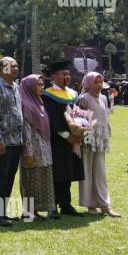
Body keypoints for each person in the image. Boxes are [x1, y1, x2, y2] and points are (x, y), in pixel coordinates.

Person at [42, 60, 85, 218]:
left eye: (68, 74)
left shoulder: (73, 94)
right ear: (54, 76)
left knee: (68, 172)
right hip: (58, 140)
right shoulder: (48, 95)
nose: (67, 77)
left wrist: (80, 133)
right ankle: (52, 206)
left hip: (74, 140)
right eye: (63, 74)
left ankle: (66, 204)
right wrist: (67, 136)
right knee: (56, 172)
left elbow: (79, 114)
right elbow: (52, 119)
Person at [0, 57, 23, 227]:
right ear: (2, 69)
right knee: (0, 178)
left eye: (16, 66)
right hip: (2, 142)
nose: (15, 68)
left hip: (16, 141)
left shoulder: (15, 87)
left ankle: (3, 213)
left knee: (9, 179)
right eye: (11, 66)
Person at [79, 72, 120, 217]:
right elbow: (79, 122)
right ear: (88, 83)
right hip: (88, 139)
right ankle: (90, 205)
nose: (98, 85)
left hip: (101, 139)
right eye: (95, 82)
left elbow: (106, 117)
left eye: (100, 82)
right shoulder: (83, 99)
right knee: (87, 172)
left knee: (100, 172)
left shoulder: (103, 97)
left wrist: (107, 133)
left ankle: (104, 205)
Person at [19, 74, 55, 221]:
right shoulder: (25, 104)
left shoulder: (39, 102)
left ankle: (36, 211)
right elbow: (25, 131)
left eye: (42, 84)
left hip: (44, 149)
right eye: (38, 85)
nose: (42, 87)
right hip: (32, 150)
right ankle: (28, 212)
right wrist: (28, 152)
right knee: (30, 181)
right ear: (30, 87)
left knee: (40, 180)